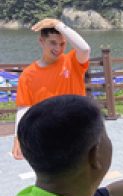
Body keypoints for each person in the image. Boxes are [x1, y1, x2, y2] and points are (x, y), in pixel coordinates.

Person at [12, 18, 91, 160]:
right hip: (46, 135)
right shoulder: (28, 74)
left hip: (77, 131)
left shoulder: (73, 61)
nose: (58, 49)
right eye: (53, 43)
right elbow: (24, 108)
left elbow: (84, 48)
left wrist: (57, 24)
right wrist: (18, 136)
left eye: (62, 44)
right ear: (41, 41)